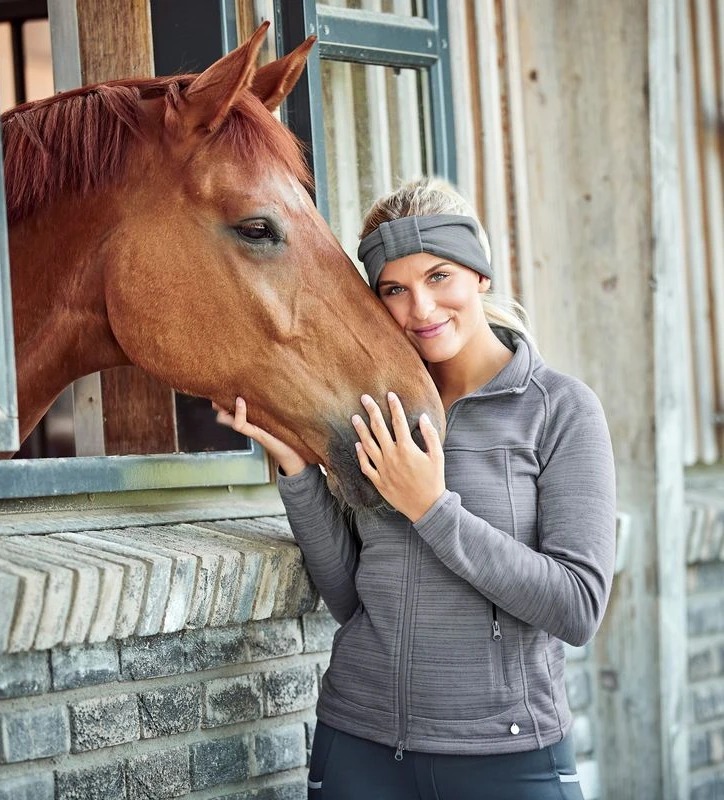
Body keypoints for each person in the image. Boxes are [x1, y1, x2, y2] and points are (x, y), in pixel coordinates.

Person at [215, 176, 616, 800]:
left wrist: (432, 508)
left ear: (479, 276)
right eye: (394, 290)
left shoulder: (558, 409)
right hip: (360, 747)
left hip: (507, 756)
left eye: (439, 278)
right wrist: (298, 471)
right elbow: (353, 598)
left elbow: (577, 606)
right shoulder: (375, 408)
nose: (420, 310)